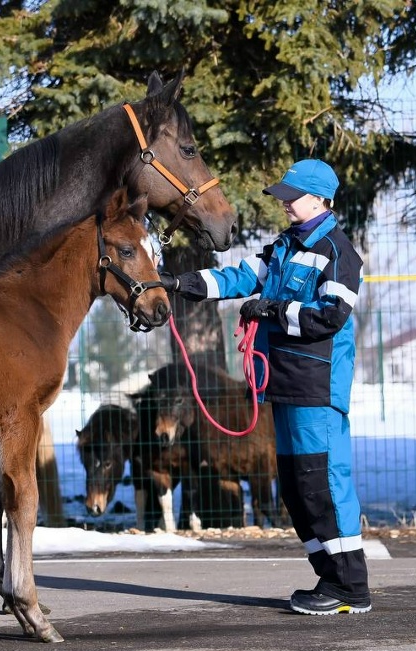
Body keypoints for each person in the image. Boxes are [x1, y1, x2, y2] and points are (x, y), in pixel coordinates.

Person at [160, 158, 371, 615]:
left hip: (318, 388)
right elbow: (240, 277)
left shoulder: (338, 251)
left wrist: (271, 310)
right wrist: (180, 283)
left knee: (324, 483)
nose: (284, 205)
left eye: (291, 197)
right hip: (284, 383)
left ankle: (351, 588)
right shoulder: (285, 247)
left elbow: (330, 316)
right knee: (296, 488)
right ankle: (328, 580)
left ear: (317, 199)